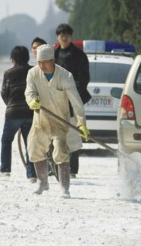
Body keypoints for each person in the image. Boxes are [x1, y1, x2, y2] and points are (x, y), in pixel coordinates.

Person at [25, 44, 90, 198]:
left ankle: (64, 188)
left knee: (61, 151)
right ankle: (42, 182)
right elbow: (29, 91)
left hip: (61, 120)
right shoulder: (33, 74)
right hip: (40, 120)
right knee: (34, 149)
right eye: (39, 62)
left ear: (53, 60)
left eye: (45, 62)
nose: (42, 66)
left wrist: (82, 123)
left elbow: (76, 101)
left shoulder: (65, 76)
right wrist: (32, 100)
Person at [54, 23, 91, 178]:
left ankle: (73, 170)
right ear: (58, 36)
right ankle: (56, 168)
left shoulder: (79, 55)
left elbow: (84, 78)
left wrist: (72, 93)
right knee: (55, 136)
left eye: (67, 34)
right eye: (61, 34)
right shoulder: (53, 54)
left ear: (71, 36)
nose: (64, 36)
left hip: (73, 101)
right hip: (56, 101)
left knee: (73, 136)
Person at [0, 46, 37, 183]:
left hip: (13, 113)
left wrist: (11, 104)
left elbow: (4, 93)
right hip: (30, 112)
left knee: (6, 140)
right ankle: (32, 174)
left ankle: (5, 170)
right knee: (30, 143)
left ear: (13, 59)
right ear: (27, 58)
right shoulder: (34, 71)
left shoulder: (8, 73)